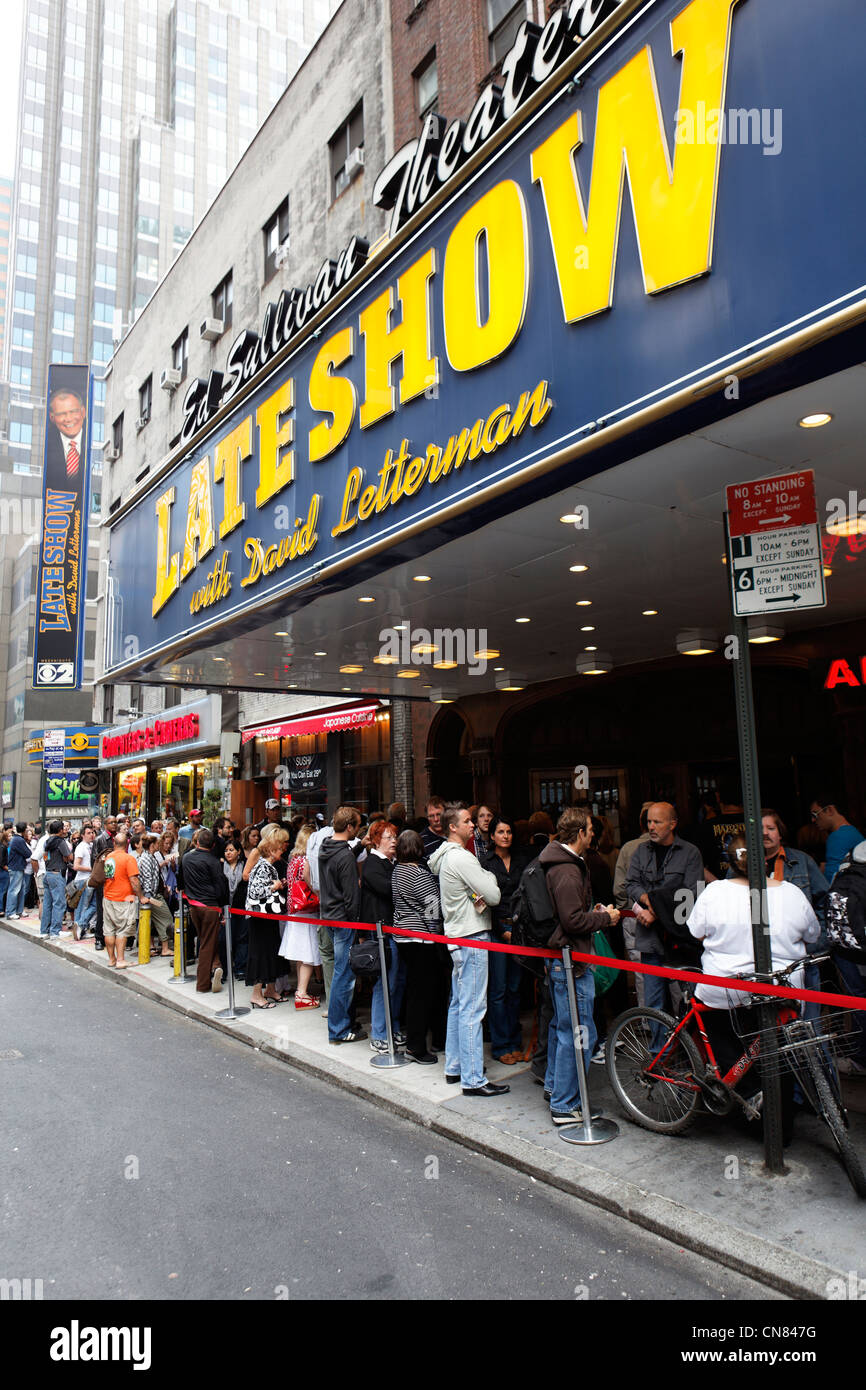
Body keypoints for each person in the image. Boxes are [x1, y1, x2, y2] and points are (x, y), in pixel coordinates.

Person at [687, 834, 820, 1134]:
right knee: (780, 1056)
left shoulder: (715, 892)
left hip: (725, 989)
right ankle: (778, 1125)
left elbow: (695, 931)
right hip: (781, 989)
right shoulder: (791, 893)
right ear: (767, 860)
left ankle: (747, 1092)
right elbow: (812, 934)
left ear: (731, 863)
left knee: (720, 1028)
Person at [540, 807, 620, 1126]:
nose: (593, 835)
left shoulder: (564, 865)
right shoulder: (567, 870)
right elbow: (572, 921)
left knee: (565, 1029)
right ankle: (565, 1104)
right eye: (590, 830)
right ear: (581, 833)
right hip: (571, 961)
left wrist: (592, 910)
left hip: (564, 959)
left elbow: (570, 912)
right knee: (579, 1032)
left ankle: (556, 1090)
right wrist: (605, 918)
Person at [430, 803, 505, 1095]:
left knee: (459, 1004)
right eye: (468, 821)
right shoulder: (462, 858)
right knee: (473, 1007)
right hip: (472, 935)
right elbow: (494, 895)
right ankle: (473, 1078)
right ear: (453, 827)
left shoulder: (447, 858)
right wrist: (489, 879)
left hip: (458, 935)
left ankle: (455, 1067)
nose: (473, 825)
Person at [625, 801, 704, 1029]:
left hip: (680, 940)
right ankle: (658, 1055)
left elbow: (692, 894)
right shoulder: (641, 851)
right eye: (649, 821)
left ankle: (690, 1054)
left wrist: (656, 912)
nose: (651, 827)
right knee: (653, 1003)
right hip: (650, 939)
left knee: (688, 999)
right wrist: (651, 903)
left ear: (672, 824)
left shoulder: (690, 853)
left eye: (657, 822)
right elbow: (630, 884)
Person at [393, 830, 444, 1063]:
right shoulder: (419, 874)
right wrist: (436, 936)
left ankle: (416, 1042)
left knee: (414, 991)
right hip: (421, 939)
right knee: (423, 994)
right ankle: (416, 1047)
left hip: (403, 936)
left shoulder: (396, 871)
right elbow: (433, 909)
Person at [483, 817, 530, 1064]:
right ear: (492, 836)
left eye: (509, 831)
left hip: (520, 929)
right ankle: (501, 1045)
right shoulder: (485, 862)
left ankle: (514, 1040)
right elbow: (480, 898)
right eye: (500, 831)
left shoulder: (522, 860)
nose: (505, 835)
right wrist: (501, 928)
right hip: (496, 930)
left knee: (515, 988)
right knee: (498, 989)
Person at [318, 807, 367, 1043]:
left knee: (340, 972)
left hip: (328, 915)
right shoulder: (345, 856)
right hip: (344, 920)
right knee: (343, 976)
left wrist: (359, 846)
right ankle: (338, 1029)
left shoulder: (325, 846)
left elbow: (342, 857)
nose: (357, 830)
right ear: (349, 827)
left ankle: (340, 1025)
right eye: (356, 826)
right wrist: (357, 927)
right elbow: (351, 897)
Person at [361, 821, 405, 1054]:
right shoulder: (372, 864)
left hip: (393, 930)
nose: (394, 841)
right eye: (388, 837)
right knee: (385, 982)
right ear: (377, 840)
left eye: (394, 837)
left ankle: (393, 1026)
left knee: (396, 981)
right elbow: (389, 890)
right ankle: (379, 1033)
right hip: (381, 932)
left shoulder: (391, 863)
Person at [177, 826, 227, 993]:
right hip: (210, 907)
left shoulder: (186, 858)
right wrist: (223, 908)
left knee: (206, 940)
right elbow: (221, 887)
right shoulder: (213, 861)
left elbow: (181, 881)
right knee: (206, 943)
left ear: (197, 842)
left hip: (193, 906)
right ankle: (203, 983)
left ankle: (216, 965)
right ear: (213, 845)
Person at [245, 827, 290, 1008]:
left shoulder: (266, 865)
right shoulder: (263, 866)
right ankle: (257, 994)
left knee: (271, 951)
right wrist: (275, 886)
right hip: (260, 919)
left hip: (266, 917)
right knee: (262, 953)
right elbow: (256, 891)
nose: (283, 850)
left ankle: (270, 989)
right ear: (272, 849)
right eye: (280, 847)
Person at [279, 823, 321, 1008]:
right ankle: (302, 994)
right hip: (307, 911)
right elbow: (310, 883)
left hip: (295, 911)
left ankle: (300, 991)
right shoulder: (306, 861)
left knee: (301, 954)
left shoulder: (293, 859)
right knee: (308, 954)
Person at [102, 829, 145, 969]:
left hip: (108, 897)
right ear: (127, 844)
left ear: (114, 843)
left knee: (109, 929)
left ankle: (111, 959)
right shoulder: (129, 859)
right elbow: (134, 880)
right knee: (122, 930)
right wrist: (141, 896)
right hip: (123, 899)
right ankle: (120, 960)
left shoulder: (109, 857)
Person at [809, 795, 864, 883]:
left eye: (815, 814)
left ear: (830, 810)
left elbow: (832, 879)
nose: (813, 820)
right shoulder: (852, 831)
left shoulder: (838, 836)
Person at [137, 834, 174, 956]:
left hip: (152, 895)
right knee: (167, 918)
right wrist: (149, 897)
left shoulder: (150, 857)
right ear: (152, 845)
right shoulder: (146, 859)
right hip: (152, 896)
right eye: (157, 843)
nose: (159, 845)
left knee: (154, 922)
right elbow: (147, 879)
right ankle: (164, 948)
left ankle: (157, 947)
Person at [41, 819, 73, 939]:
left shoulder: (47, 841)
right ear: (60, 830)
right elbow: (69, 857)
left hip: (48, 872)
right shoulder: (60, 842)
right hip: (57, 873)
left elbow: (45, 856)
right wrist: (67, 856)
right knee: (59, 903)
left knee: (48, 904)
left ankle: (44, 930)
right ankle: (55, 931)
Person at [46, 388, 86, 479]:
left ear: (83, 412)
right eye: (61, 414)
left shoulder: (93, 442)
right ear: (52, 418)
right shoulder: (46, 446)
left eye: (73, 412)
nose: (68, 419)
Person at [223, 839, 249, 979]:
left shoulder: (245, 866)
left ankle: (240, 967)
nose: (228, 853)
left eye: (231, 850)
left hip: (242, 907)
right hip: (226, 908)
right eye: (226, 850)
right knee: (227, 938)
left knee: (242, 938)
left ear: (239, 852)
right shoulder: (221, 866)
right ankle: (227, 966)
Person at [5, 821, 34, 919]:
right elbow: (28, 853)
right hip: (16, 867)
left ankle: (19, 910)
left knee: (21, 890)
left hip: (18, 867)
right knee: (14, 890)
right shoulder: (19, 840)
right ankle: (10, 912)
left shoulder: (16, 839)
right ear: (24, 830)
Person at [73, 825, 98, 939]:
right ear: (82, 835)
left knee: (92, 904)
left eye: (92, 832)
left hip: (90, 879)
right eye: (88, 833)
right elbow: (76, 866)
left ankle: (81, 927)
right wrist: (92, 868)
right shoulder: (81, 847)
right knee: (83, 906)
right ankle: (80, 927)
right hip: (83, 880)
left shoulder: (91, 845)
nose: (91, 835)